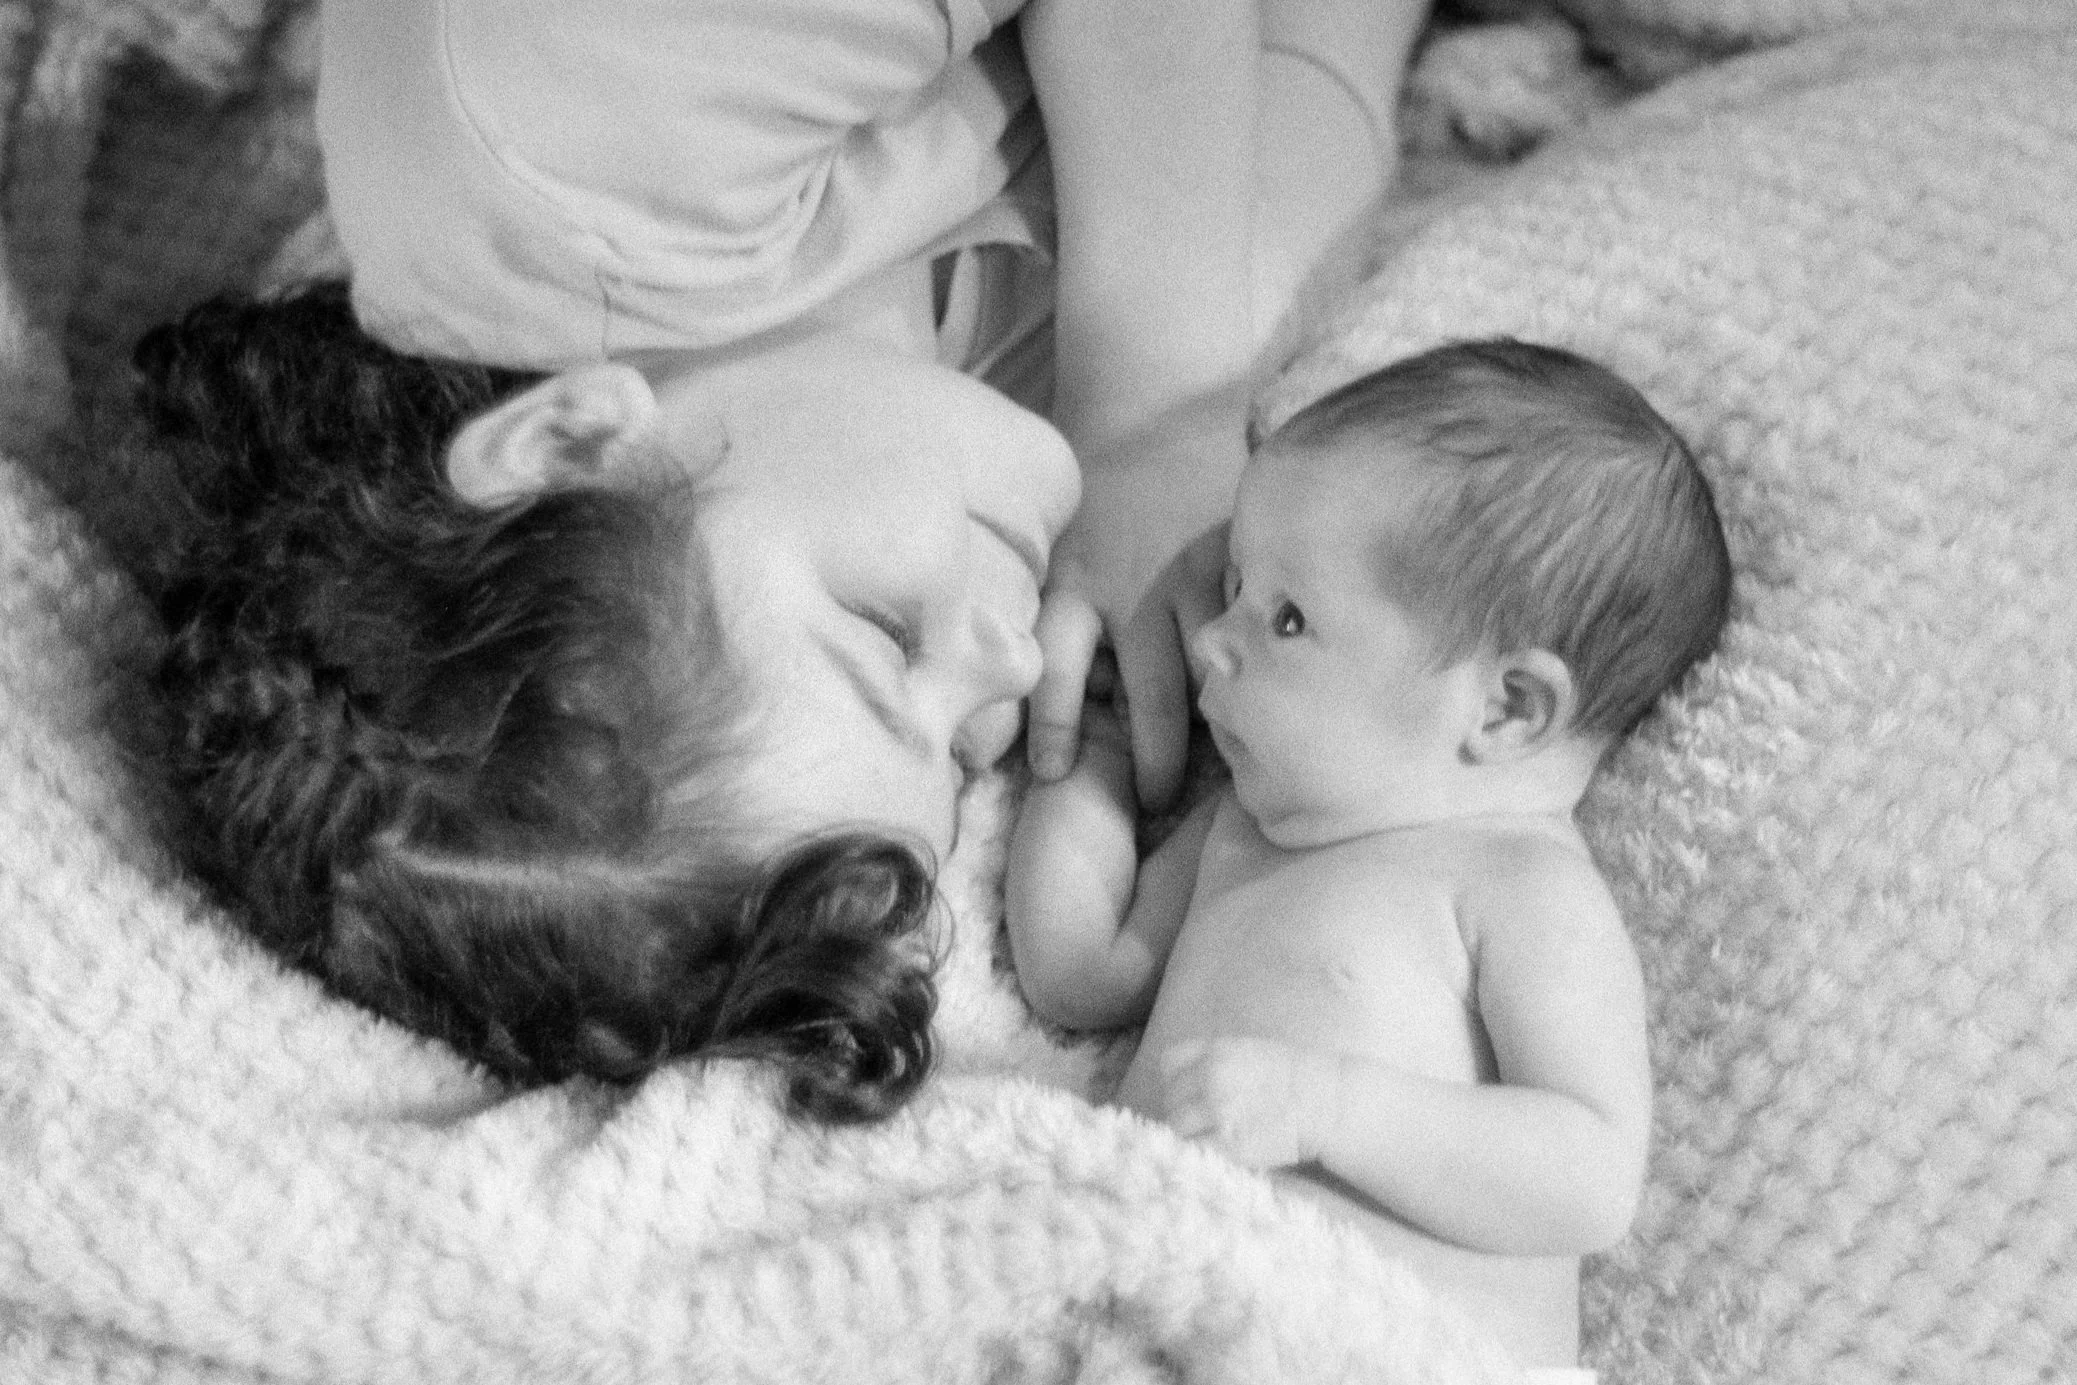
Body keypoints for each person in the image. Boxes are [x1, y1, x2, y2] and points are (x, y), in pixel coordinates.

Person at [133, 0, 1433, 1120]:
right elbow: (1304, 81)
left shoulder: (566, 124)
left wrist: (1160, 396)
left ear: (568, 443)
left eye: (884, 634)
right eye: (962, 750)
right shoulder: (950, 428)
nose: (1015, 654)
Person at [1004, 338, 1734, 1373]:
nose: (1211, 638)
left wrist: (1330, 1109)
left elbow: (1587, 1172)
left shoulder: (1521, 887)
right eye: (1238, 584)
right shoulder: (1249, 829)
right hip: (1157, 1311)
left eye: (1286, 616)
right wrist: (1089, 759)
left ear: (1506, 706)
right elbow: (1080, 968)